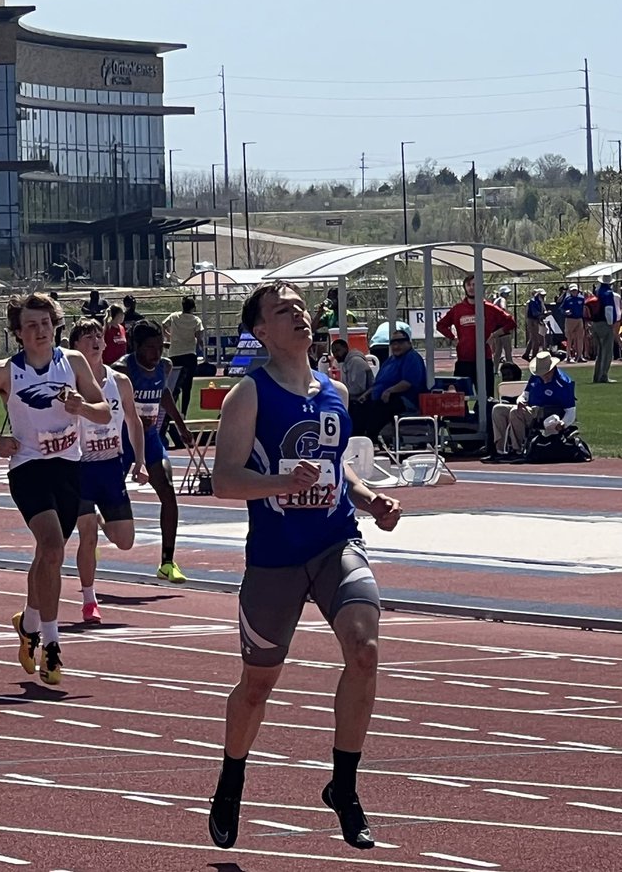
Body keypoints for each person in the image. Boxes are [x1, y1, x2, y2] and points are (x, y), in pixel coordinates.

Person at [207, 282, 401, 852]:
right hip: (275, 557)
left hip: (335, 541)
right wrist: (278, 484)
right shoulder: (250, 394)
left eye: (300, 307)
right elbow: (223, 480)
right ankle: (232, 778)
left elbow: (338, 470)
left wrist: (370, 500)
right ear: (261, 331)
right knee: (258, 684)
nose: (297, 316)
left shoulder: (335, 391)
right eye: (282, 310)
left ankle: (344, 785)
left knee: (364, 650)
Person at [0, 293, 111, 685]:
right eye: (31, 325)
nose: (40, 331)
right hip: (28, 468)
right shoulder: (5, 371)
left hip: (68, 468)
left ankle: (27, 623)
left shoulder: (73, 362)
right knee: (54, 547)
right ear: (18, 333)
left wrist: (81, 409)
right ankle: (53, 645)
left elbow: (103, 411)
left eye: (45, 323)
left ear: (55, 324)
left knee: (48, 555)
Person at [68, 317, 149, 623]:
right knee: (86, 534)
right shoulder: (70, 385)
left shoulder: (120, 381)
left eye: (97, 336)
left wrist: (139, 461)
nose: (95, 342)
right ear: (75, 347)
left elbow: (133, 420)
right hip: (79, 467)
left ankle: (101, 517)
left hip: (111, 466)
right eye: (87, 337)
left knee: (125, 540)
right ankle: (90, 600)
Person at [115, 320, 194, 585]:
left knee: (168, 493)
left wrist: (181, 426)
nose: (156, 353)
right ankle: (93, 533)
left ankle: (168, 561)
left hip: (150, 440)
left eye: (160, 347)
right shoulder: (122, 370)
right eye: (150, 348)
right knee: (107, 497)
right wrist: (131, 418)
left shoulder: (165, 366)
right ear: (135, 346)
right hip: (122, 442)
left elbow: (164, 394)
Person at [486, 351, 576, 462]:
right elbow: (525, 394)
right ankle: (499, 450)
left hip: (546, 414)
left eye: (545, 373)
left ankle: (517, 450)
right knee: (498, 409)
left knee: (515, 412)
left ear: (552, 369)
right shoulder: (535, 377)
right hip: (529, 410)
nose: (543, 376)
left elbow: (571, 411)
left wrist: (563, 423)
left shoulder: (564, 383)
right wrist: (520, 400)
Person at [437, 274, 516, 394]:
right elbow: (440, 325)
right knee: (460, 398)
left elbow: (511, 322)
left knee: (486, 398)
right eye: (468, 285)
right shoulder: (458, 309)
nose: (471, 288)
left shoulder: (490, 308)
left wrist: (493, 335)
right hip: (464, 361)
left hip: (484, 360)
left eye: (474, 285)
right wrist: (453, 338)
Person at [351, 328, 426, 442]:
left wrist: (390, 391)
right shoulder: (390, 360)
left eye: (400, 342)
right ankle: (356, 438)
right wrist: (366, 394)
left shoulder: (412, 358)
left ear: (409, 343)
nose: (396, 346)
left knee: (380, 407)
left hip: (405, 399)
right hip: (381, 396)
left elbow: (407, 383)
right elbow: (379, 383)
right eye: (393, 343)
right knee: (357, 406)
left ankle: (371, 438)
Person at [163, 296, 206, 417]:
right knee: (187, 386)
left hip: (175, 354)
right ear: (193, 308)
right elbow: (199, 336)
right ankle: (184, 413)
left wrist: (168, 336)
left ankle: (170, 412)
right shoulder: (196, 320)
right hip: (189, 354)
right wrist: (201, 347)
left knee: (174, 385)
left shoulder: (174, 316)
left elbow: (163, 324)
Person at [589, 274, 619, 383]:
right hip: (604, 323)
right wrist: (611, 323)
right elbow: (609, 309)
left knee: (600, 352)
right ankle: (603, 376)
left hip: (595, 323)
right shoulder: (608, 293)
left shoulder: (597, 291)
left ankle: (597, 375)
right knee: (607, 351)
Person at [559, 284, 586, 362]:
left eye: (575, 290)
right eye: (573, 290)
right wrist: (565, 312)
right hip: (570, 319)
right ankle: (569, 356)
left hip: (579, 319)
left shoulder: (581, 298)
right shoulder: (567, 299)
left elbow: (584, 308)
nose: (574, 292)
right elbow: (561, 308)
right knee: (569, 338)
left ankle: (580, 356)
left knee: (580, 338)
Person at [491, 285, 514, 366]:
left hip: (496, 328)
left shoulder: (495, 301)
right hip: (503, 328)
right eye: (506, 293)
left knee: (498, 351)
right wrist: (508, 318)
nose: (508, 295)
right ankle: (511, 368)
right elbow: (503, 308)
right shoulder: (502, 299)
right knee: (508, 350)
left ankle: (495, 370)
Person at [523, 289, 547, 361]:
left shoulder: (540, 302)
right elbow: (534, 313)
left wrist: (545, 313)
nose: (543, 296)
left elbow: (543, 310)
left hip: (537, 320)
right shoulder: (532, 302)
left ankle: (526, 354)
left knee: (533, 338)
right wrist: (543, 314)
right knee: (536, 340)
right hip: (532, 321)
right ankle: (534, 356)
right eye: (542, 295)